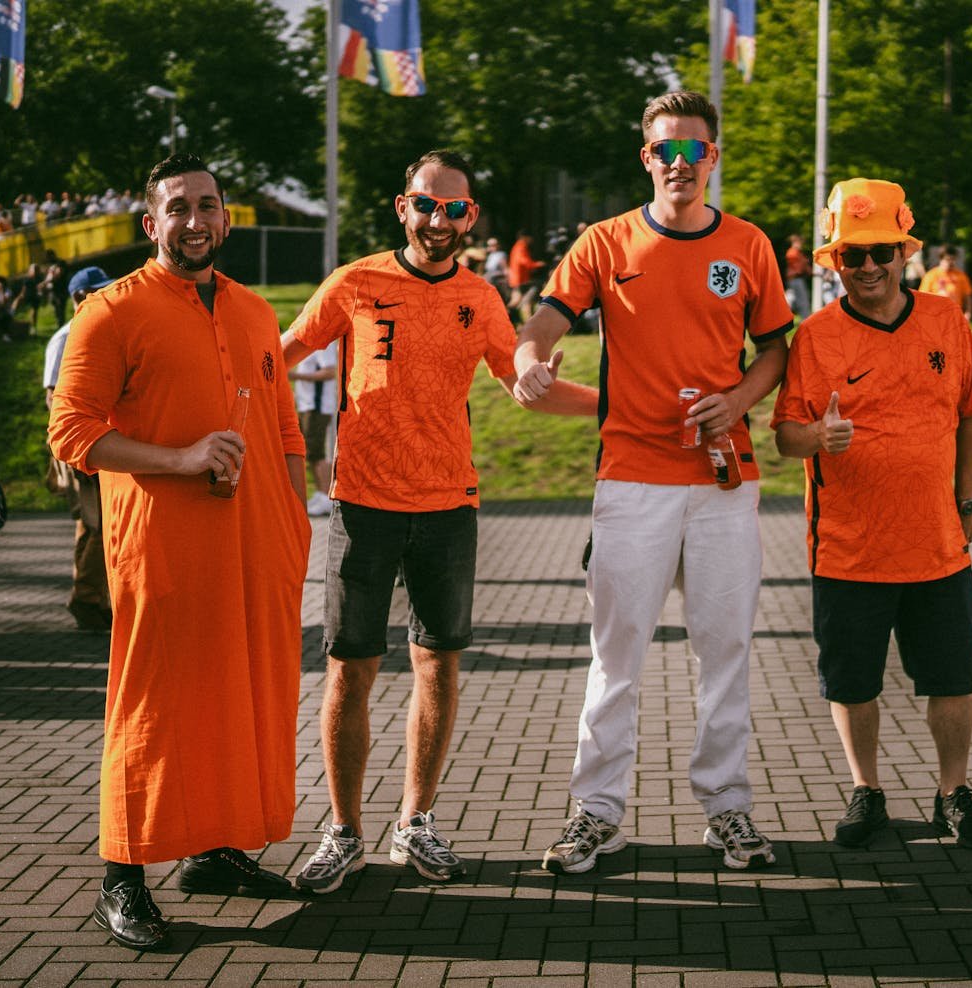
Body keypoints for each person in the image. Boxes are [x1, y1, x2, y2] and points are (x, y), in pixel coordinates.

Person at [281, 149, 596, 895]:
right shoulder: (355, 282)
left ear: (471, 217)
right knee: (349, 672)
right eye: (427, 205)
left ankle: (414, 823)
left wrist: (616, 405)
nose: (439, 220)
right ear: (403, 207)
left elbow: (523, 383)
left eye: (454, 209)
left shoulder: (481, 297)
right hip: (362, 505)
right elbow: (281, 353)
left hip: (448, 506)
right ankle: (344, 831)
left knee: (437, 665)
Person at [513, 91, 792, 874]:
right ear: (647, 159)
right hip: (632, 475)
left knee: (725, 648)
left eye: (693, 150)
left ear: (713, 158)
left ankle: (728, 808)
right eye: (665, 151)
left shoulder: (749, 245)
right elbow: (542, 324)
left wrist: (737, 399)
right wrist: (528, 361)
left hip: (722, 479)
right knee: (617, 651)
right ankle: (596, 813)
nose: (679, 164)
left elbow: (776, 350)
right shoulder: (605, 243)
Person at [47, 152, 312, 951]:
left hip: (257, 546)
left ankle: (216, 852)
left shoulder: (256, 312)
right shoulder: (110, 312)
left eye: (208, 205)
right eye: (178, 208)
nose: (194, 221)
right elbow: (72, 434)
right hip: (161, 548)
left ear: (226, 217)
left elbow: (287, 427)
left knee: (241, 699)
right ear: (150, 223)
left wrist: (294, 522)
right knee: (154, 709)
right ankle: (121, 877)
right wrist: (182, 458)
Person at [771, 177, 972, 850]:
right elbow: (785, 437)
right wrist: (817, 437)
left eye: (881, 252)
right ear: (832, 261)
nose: (868, 267)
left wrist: (966, 499)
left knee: (953, 680)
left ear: (905, 251)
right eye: (852, 255)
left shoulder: (945, 321)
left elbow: (971, 415)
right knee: (853, 682)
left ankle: (953, 792)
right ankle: (866, 789)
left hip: (937, 542)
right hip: (849, 548)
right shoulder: (814, 337)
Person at [43, 266, 116, 632]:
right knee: (97, 524)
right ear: (77, 297)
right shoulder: (65, 336)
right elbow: (56, 397)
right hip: (81, 445)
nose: (104, 295)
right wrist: (73, 451)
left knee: (93, 524)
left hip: (98, 439)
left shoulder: (97, 326)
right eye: (96, 290)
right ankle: (86, 597)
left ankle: (94, 597)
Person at [286, 340, 338, 516]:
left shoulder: (323, 343)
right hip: (308, 405)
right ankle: (320, 493)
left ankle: (326, 496)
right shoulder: (309, 343)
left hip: (319, 405)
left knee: (318, 452)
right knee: (311, 452)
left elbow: (330, 372)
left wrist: (296, 377)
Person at [919, 245, 972, 320]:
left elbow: (968, 296)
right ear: (941, 259)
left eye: (953, 259)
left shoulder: (961, 276)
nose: (951, 262)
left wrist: (968, 313)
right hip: (935, 317)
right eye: (948, 259)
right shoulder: (930, 275)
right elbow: (922, 299)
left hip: (955, 316)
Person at [784, 232, 812, 320]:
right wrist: (805, 262)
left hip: (795, 279)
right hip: (795, 279)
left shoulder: (796, 253)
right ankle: (805, 319)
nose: (801, 245)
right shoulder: (792, 253)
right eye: (800, 243)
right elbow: (799, 268)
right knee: (802, 300)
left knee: (791, 299)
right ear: (796, 242)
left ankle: (783, 318)